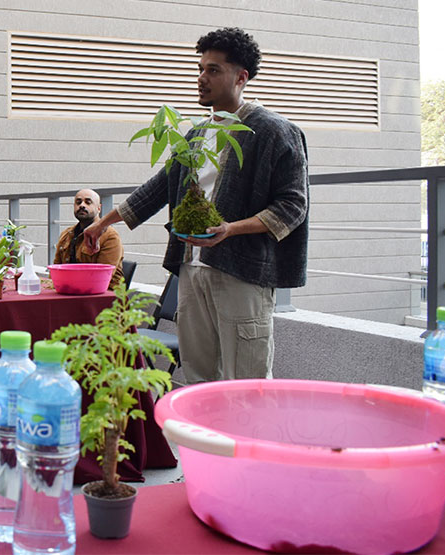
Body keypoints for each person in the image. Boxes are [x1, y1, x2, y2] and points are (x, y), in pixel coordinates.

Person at [83, 27, 309, 384]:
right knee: (199, 379)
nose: (201, 78)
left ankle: (242, 443)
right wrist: (102, 223)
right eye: (200, 69)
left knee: (246, 381)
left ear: (241, 77)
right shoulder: (196, 134)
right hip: (191, 268)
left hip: (243, 273)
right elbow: (157, 189)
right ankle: (202, 443)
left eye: (213, 70)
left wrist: (230, 230)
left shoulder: (275, 131)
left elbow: (293, 206)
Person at [52, 188, 123, 290]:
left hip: (101, 297)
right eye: (78, 202)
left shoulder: (110, 236)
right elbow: (56, 270)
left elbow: (101, 278)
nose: (82, 205)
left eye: (88, 202)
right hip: (68, 292)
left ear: (99, 208)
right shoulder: (66, 234)